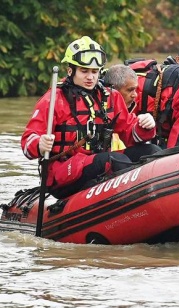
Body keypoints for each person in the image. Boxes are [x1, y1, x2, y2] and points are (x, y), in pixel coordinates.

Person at [21, 36, 158, 198]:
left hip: (98, 162)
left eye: (94, 72)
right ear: (70, 70)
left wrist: (145, 126)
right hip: (63, 171)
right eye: (84, 71)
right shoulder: (53, 99)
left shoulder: (110, 96)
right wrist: (40, 144)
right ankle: (135, 201)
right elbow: (27, 141)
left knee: (152, 150)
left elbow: (130, 133)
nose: (90, 77)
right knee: (112, 159)